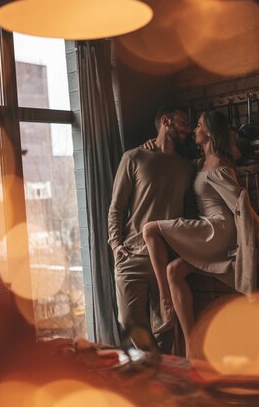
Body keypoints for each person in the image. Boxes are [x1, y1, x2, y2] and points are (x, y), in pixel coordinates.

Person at [143, 110, 259, 357]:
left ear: (210, 133)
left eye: (199, 125)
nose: (194, 129)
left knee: (150, 229)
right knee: (174, 271)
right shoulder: (203, 161)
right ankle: (192, 348)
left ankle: (164, 302)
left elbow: (240, 204)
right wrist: (150, 144)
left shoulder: (219, 166)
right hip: (209, 227)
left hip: (216, 229)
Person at [108, 105, 195, 351]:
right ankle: (155, 368)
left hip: (167, 257)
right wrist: (116, 244)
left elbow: (189, 212)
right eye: (183, 121)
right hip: (132, 253)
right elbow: (117, 206)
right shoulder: (134, 157)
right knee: (128, 321)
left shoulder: (187, 167)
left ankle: (162, 379)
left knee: (165, 326)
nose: (188, 128)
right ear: (165, 121)